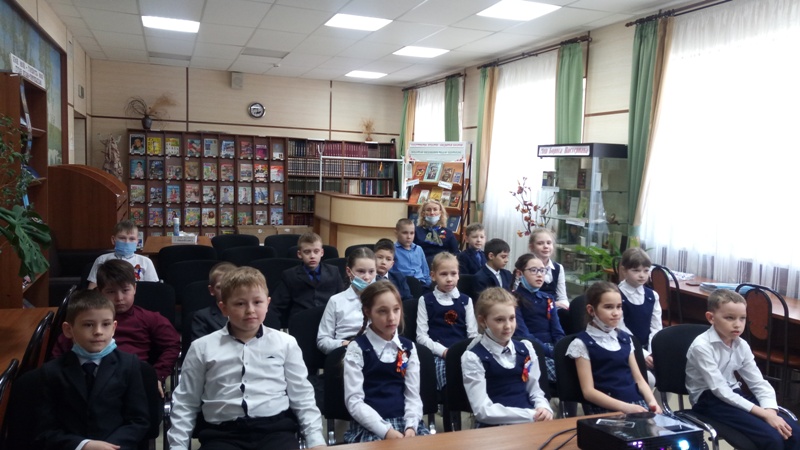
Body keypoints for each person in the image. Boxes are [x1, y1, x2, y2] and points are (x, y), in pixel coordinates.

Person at [167, 267, 325, 450]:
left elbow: (302, 396)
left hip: (275, 432)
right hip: (222, 435)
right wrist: (177, 446)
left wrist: (315, 440)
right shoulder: (202, 347)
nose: (250, 310)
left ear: (268, 304)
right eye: (240, 304)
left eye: (257, 302)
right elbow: (186, 402)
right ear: (223, 308)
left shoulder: (286, 343)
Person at [686, 289, 799, 450]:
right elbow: (720, 391)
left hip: (734, 394)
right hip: (708, 401)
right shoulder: (702, 347)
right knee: (772, 438)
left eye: (742, 318)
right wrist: (764, 414)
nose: (737, 324)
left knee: (792, 432)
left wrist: (770, 411)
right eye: (729, 318)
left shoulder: (741, 344)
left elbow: (758, 382)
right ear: (711, 318)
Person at [37, 290, 150, 450]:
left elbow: (138, 421)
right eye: (88, 324)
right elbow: (45, 430)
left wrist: (111, 447)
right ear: (68, 330)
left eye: (106, 324)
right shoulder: (52, 372)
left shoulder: (128, 365)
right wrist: (83, 446)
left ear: (114, 327)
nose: (98, 331)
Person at [52, 259, 181, 388]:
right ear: (99, 291)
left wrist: (156, 376)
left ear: (134, 289)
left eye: (125, 290)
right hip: (88, 380)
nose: (119, 298)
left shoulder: (150, 318)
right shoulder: (86, 319)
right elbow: (60, 350)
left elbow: (172, 345)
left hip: (132, 380)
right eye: (111, 292)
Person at [343, 281, 430, 442]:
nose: (391, 318)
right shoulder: (357, 349)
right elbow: (354, 401)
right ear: (367, 311)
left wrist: (411, 427)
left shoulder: (408, 348)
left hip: (406, 422)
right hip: (371, 426)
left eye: (396, 310)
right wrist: (386, 431)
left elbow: (413, 395)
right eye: (382, 311)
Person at [461, 287, 553, 427]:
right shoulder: (473, 357)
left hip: (530, 423)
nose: (508, 326)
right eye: (499, 320)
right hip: (494, 428)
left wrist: (543, 408)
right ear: (482, 321)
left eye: (512, 318)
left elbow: (535, 390)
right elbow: (482, 411)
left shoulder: (526, 348)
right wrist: (530, 415)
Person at [566, 282, 661, 415]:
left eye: (619, 307)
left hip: (636, 405)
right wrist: (625, 408)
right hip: (607, 410)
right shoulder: (581, 344)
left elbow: (639, 379)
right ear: (591, 310)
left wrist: (652, 402)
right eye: (609, 307)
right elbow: (588, 392)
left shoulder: (625, 339)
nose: (616, 313)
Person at [416, 252, 478, 390]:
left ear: (458, 275)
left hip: (463, 351)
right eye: (443, 274)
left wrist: (463, 352)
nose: (449, 279)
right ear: (433, 276)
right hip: (438, 353)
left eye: (453, 274)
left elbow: (472, 334)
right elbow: (421, 337)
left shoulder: (466, 301)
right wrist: (443, 351)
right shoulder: (425, 300)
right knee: (446, 378)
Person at [269, 232, 345, 327]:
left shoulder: (333, 272)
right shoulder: (290, 275)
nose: (312, 256)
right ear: (299, 254)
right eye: (307, 252)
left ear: (322, 253)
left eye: (316, 251)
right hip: (301, 322)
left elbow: (342, 299)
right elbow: (276, 306)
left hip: (329, 322)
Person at [512, 254, 564, 382]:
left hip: (553, 348)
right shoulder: (513, 300)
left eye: (542, 270)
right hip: (532, 349)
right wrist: (551, 352)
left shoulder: (548, 298)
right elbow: (523, 334)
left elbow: (557, 331)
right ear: (519, 273)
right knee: (563, 376)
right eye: (534, 270)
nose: (540, 275)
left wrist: (561, 349)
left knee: (579, 369)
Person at [317, 247, 377, 354]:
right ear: (349, 271)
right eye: (361, 271)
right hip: (345, 351)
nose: (367, 277)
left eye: (371, 271)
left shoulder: (381, 300)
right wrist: (345, 344)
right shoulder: (336, 301)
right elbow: (323, 341)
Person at [617, 247, 661, 381]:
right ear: (624, 270)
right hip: (624, 347)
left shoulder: (652, 295)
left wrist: (652, 353)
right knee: (649, 380)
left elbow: (656, 327)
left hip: (648, 349)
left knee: (669, 373)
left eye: (646, 270)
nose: (642, 275)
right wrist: (642, 354)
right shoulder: (616, 295)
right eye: (636, 270)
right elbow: (620, 329)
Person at [87, 220, 158, 289]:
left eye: (132, 239)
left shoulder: (146, 262)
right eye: (122, 238)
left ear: (137, 241)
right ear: (113, 240)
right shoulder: (102, 259)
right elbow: (92, 288)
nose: (127, 242)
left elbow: (152, 288)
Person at [191, 261, 237, 341]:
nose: (225, 291)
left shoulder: (249, 312)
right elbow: (200, 346)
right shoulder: (202, 317)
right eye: (220, 287)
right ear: (212, 290)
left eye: (231, 286)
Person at [528, 228, 568, 309]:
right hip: (533, 309)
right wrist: (553, 304)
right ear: (531, 247)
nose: (546, 246)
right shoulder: (526, 267)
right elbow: (523, 298)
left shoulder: (558, 268)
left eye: (549, 243)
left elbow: (562, 298)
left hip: (554, 310)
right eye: (540, 243)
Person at [391, 218, 431, 287]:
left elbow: (425, 272)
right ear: (396, 233)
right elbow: (391, 273)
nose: (409, 237)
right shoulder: (392, 250)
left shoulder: (419, 249)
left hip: (421, 284)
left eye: (412, 233)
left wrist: (429, 286)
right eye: (405, 233)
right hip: (403, 285)